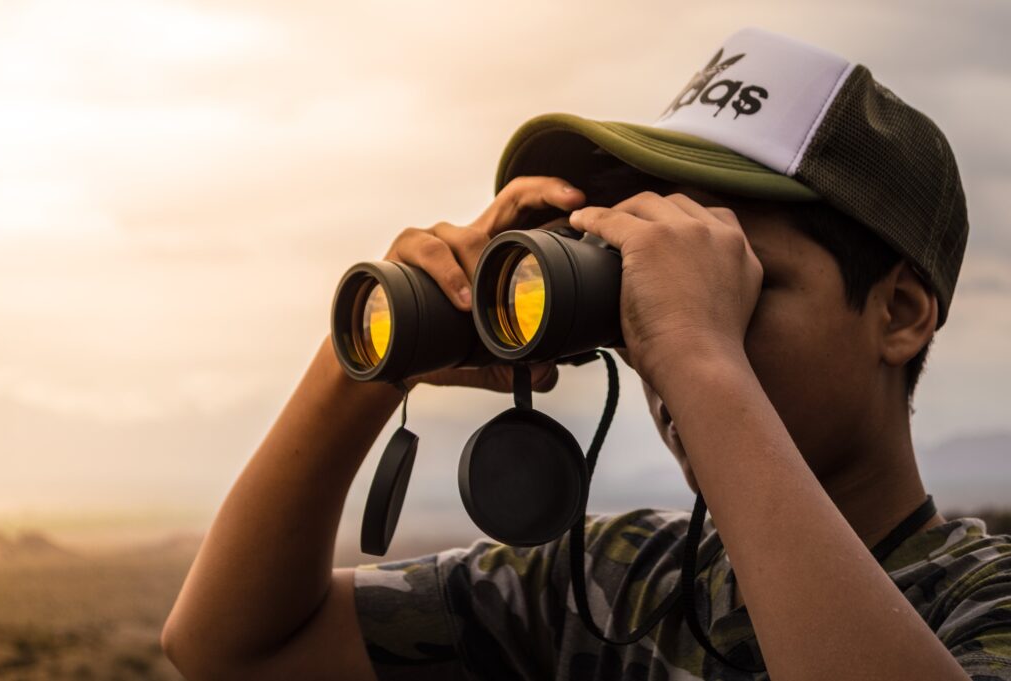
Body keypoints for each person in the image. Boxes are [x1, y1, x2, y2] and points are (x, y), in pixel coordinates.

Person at [160, 27, 1011, 681]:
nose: (657, 325)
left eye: (731, 272)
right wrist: (378, 352)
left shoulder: (980, 604)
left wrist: (697, 353)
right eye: (643, 273)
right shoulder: (612, 587)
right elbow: (231, 646)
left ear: (899, 312)